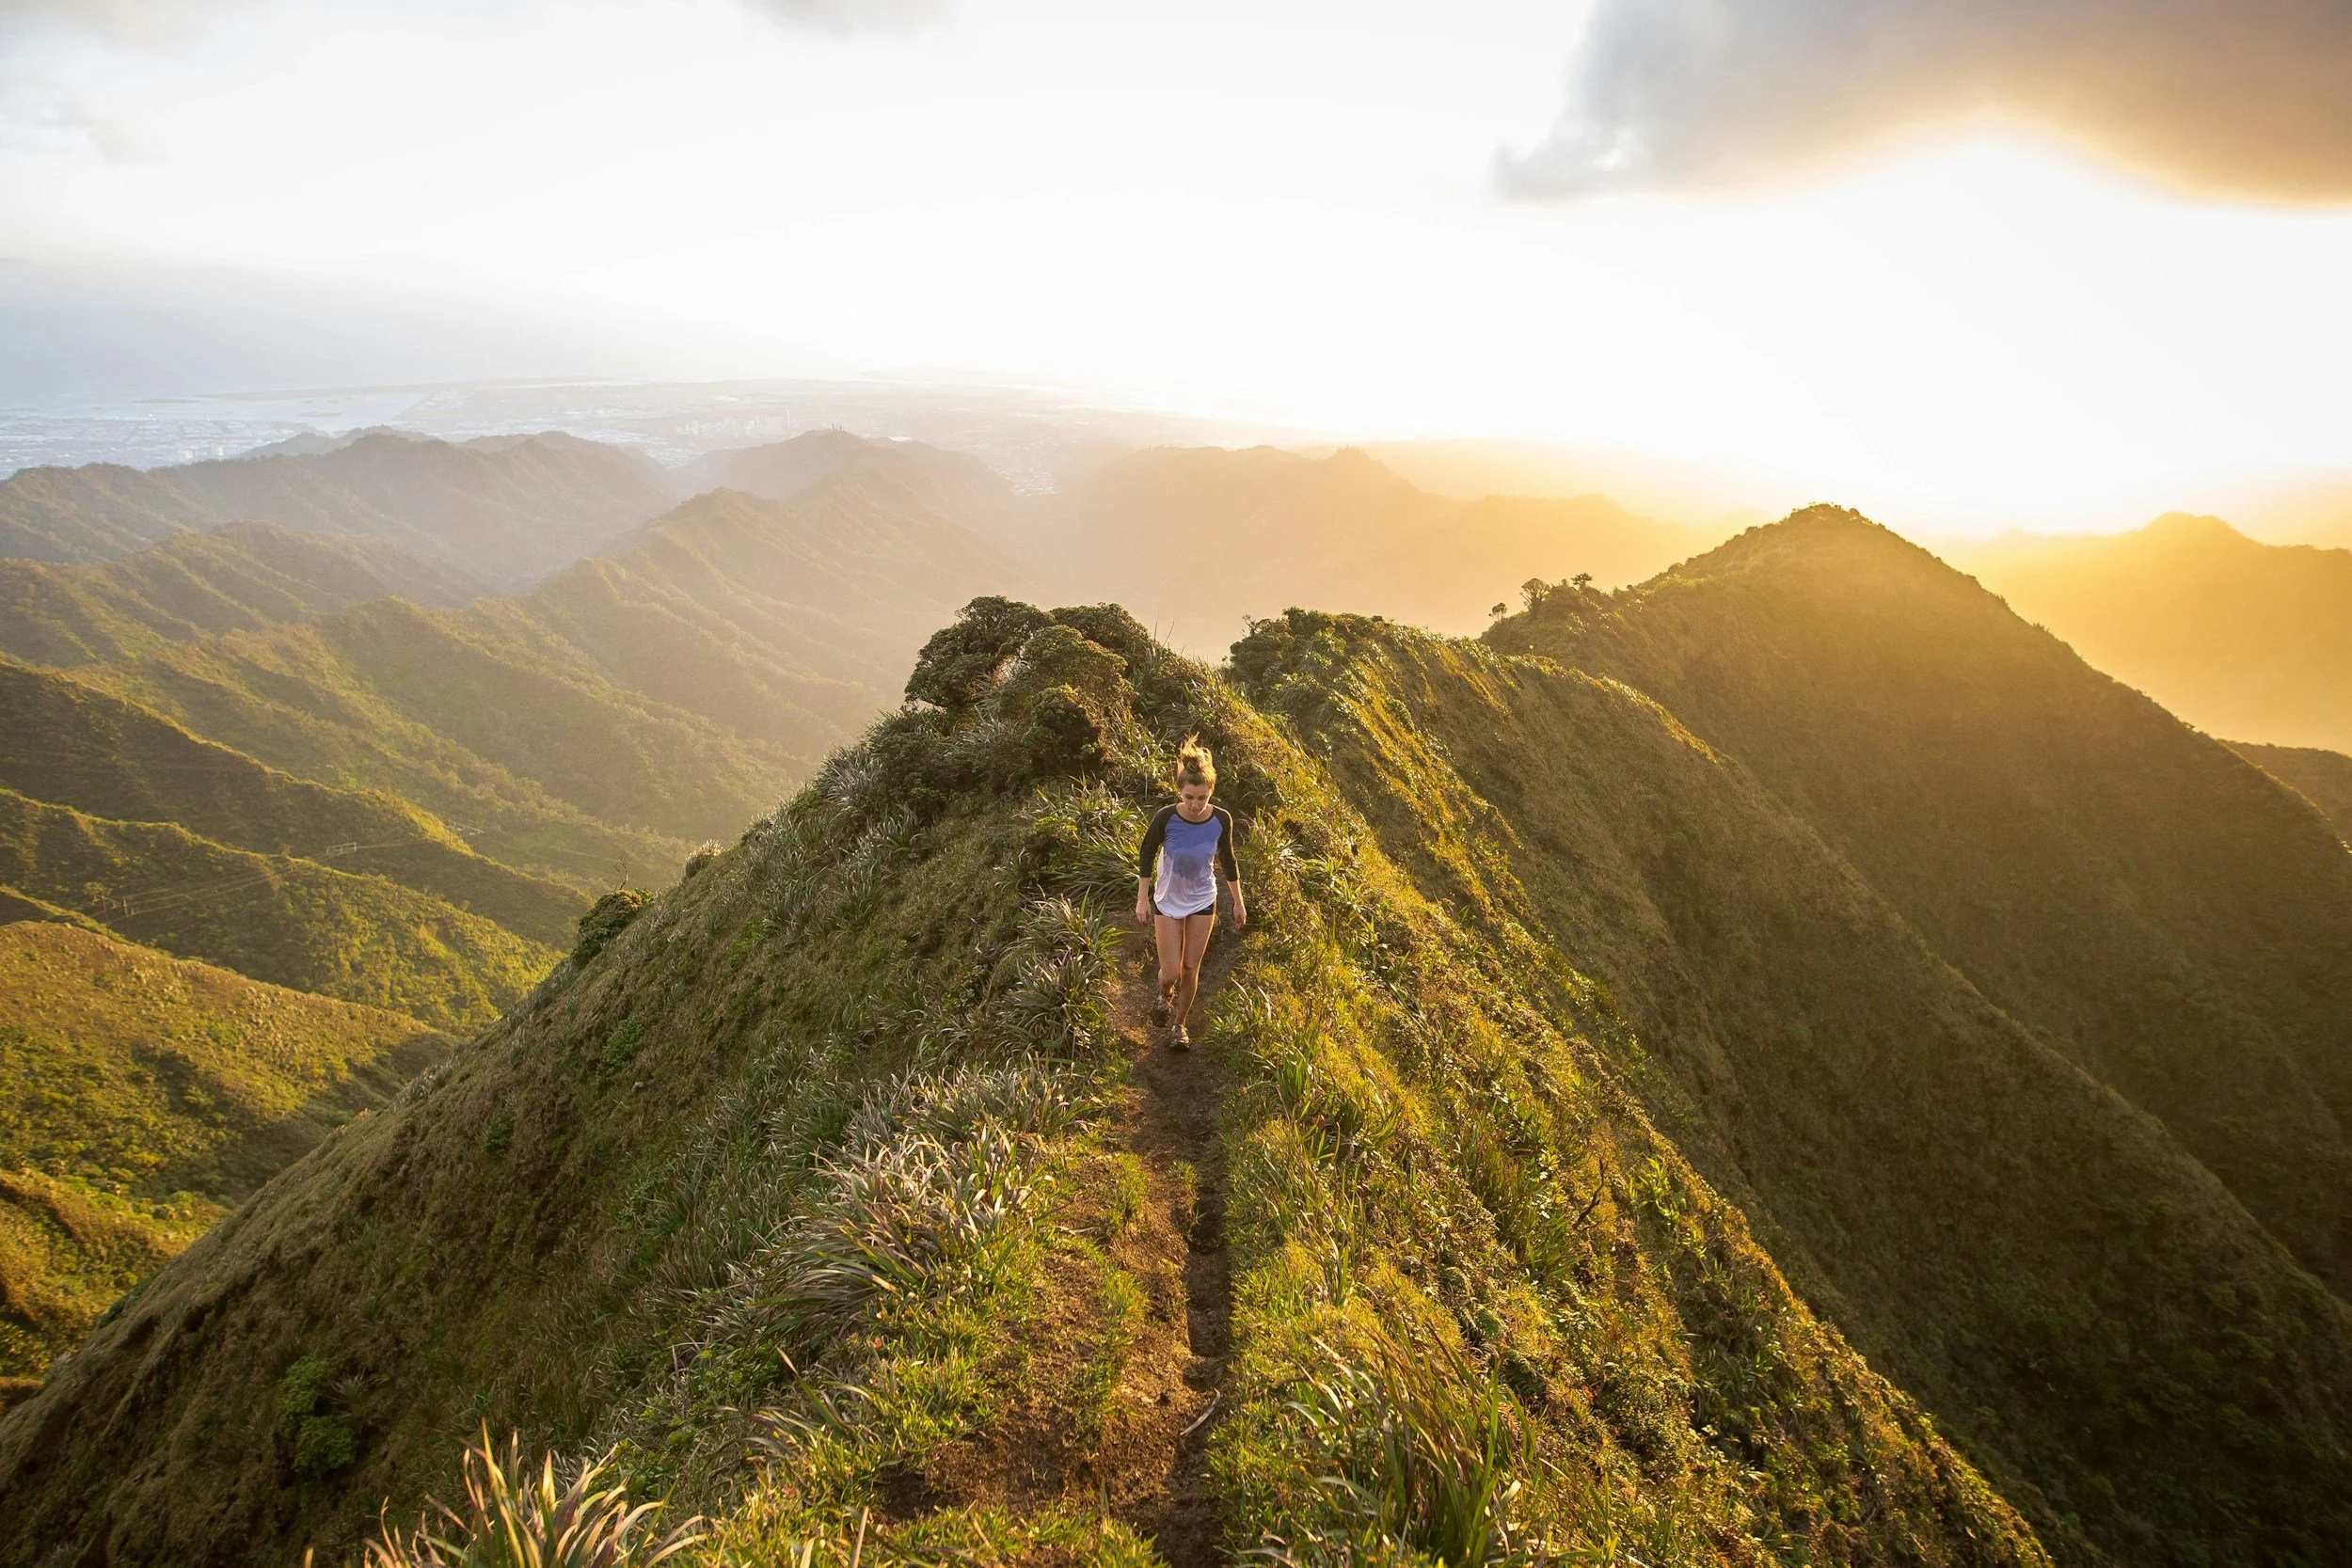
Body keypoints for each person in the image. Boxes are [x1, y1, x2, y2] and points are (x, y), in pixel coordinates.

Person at [1135, 736, 1246, 1050]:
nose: (1195, 805)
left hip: (1202, 899)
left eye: (1201, 797)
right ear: (1179, 792)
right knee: (1170, 973)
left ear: (1210, 792)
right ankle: (1164, 994)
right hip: (1167, 899)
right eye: (1189, 797)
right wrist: (1143, 898)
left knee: (1190, 968)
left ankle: (1179, 1026)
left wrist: (1238, 903)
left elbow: (1228, 860)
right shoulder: (1166, 818)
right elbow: (1146, 854)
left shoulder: (1221, 819)